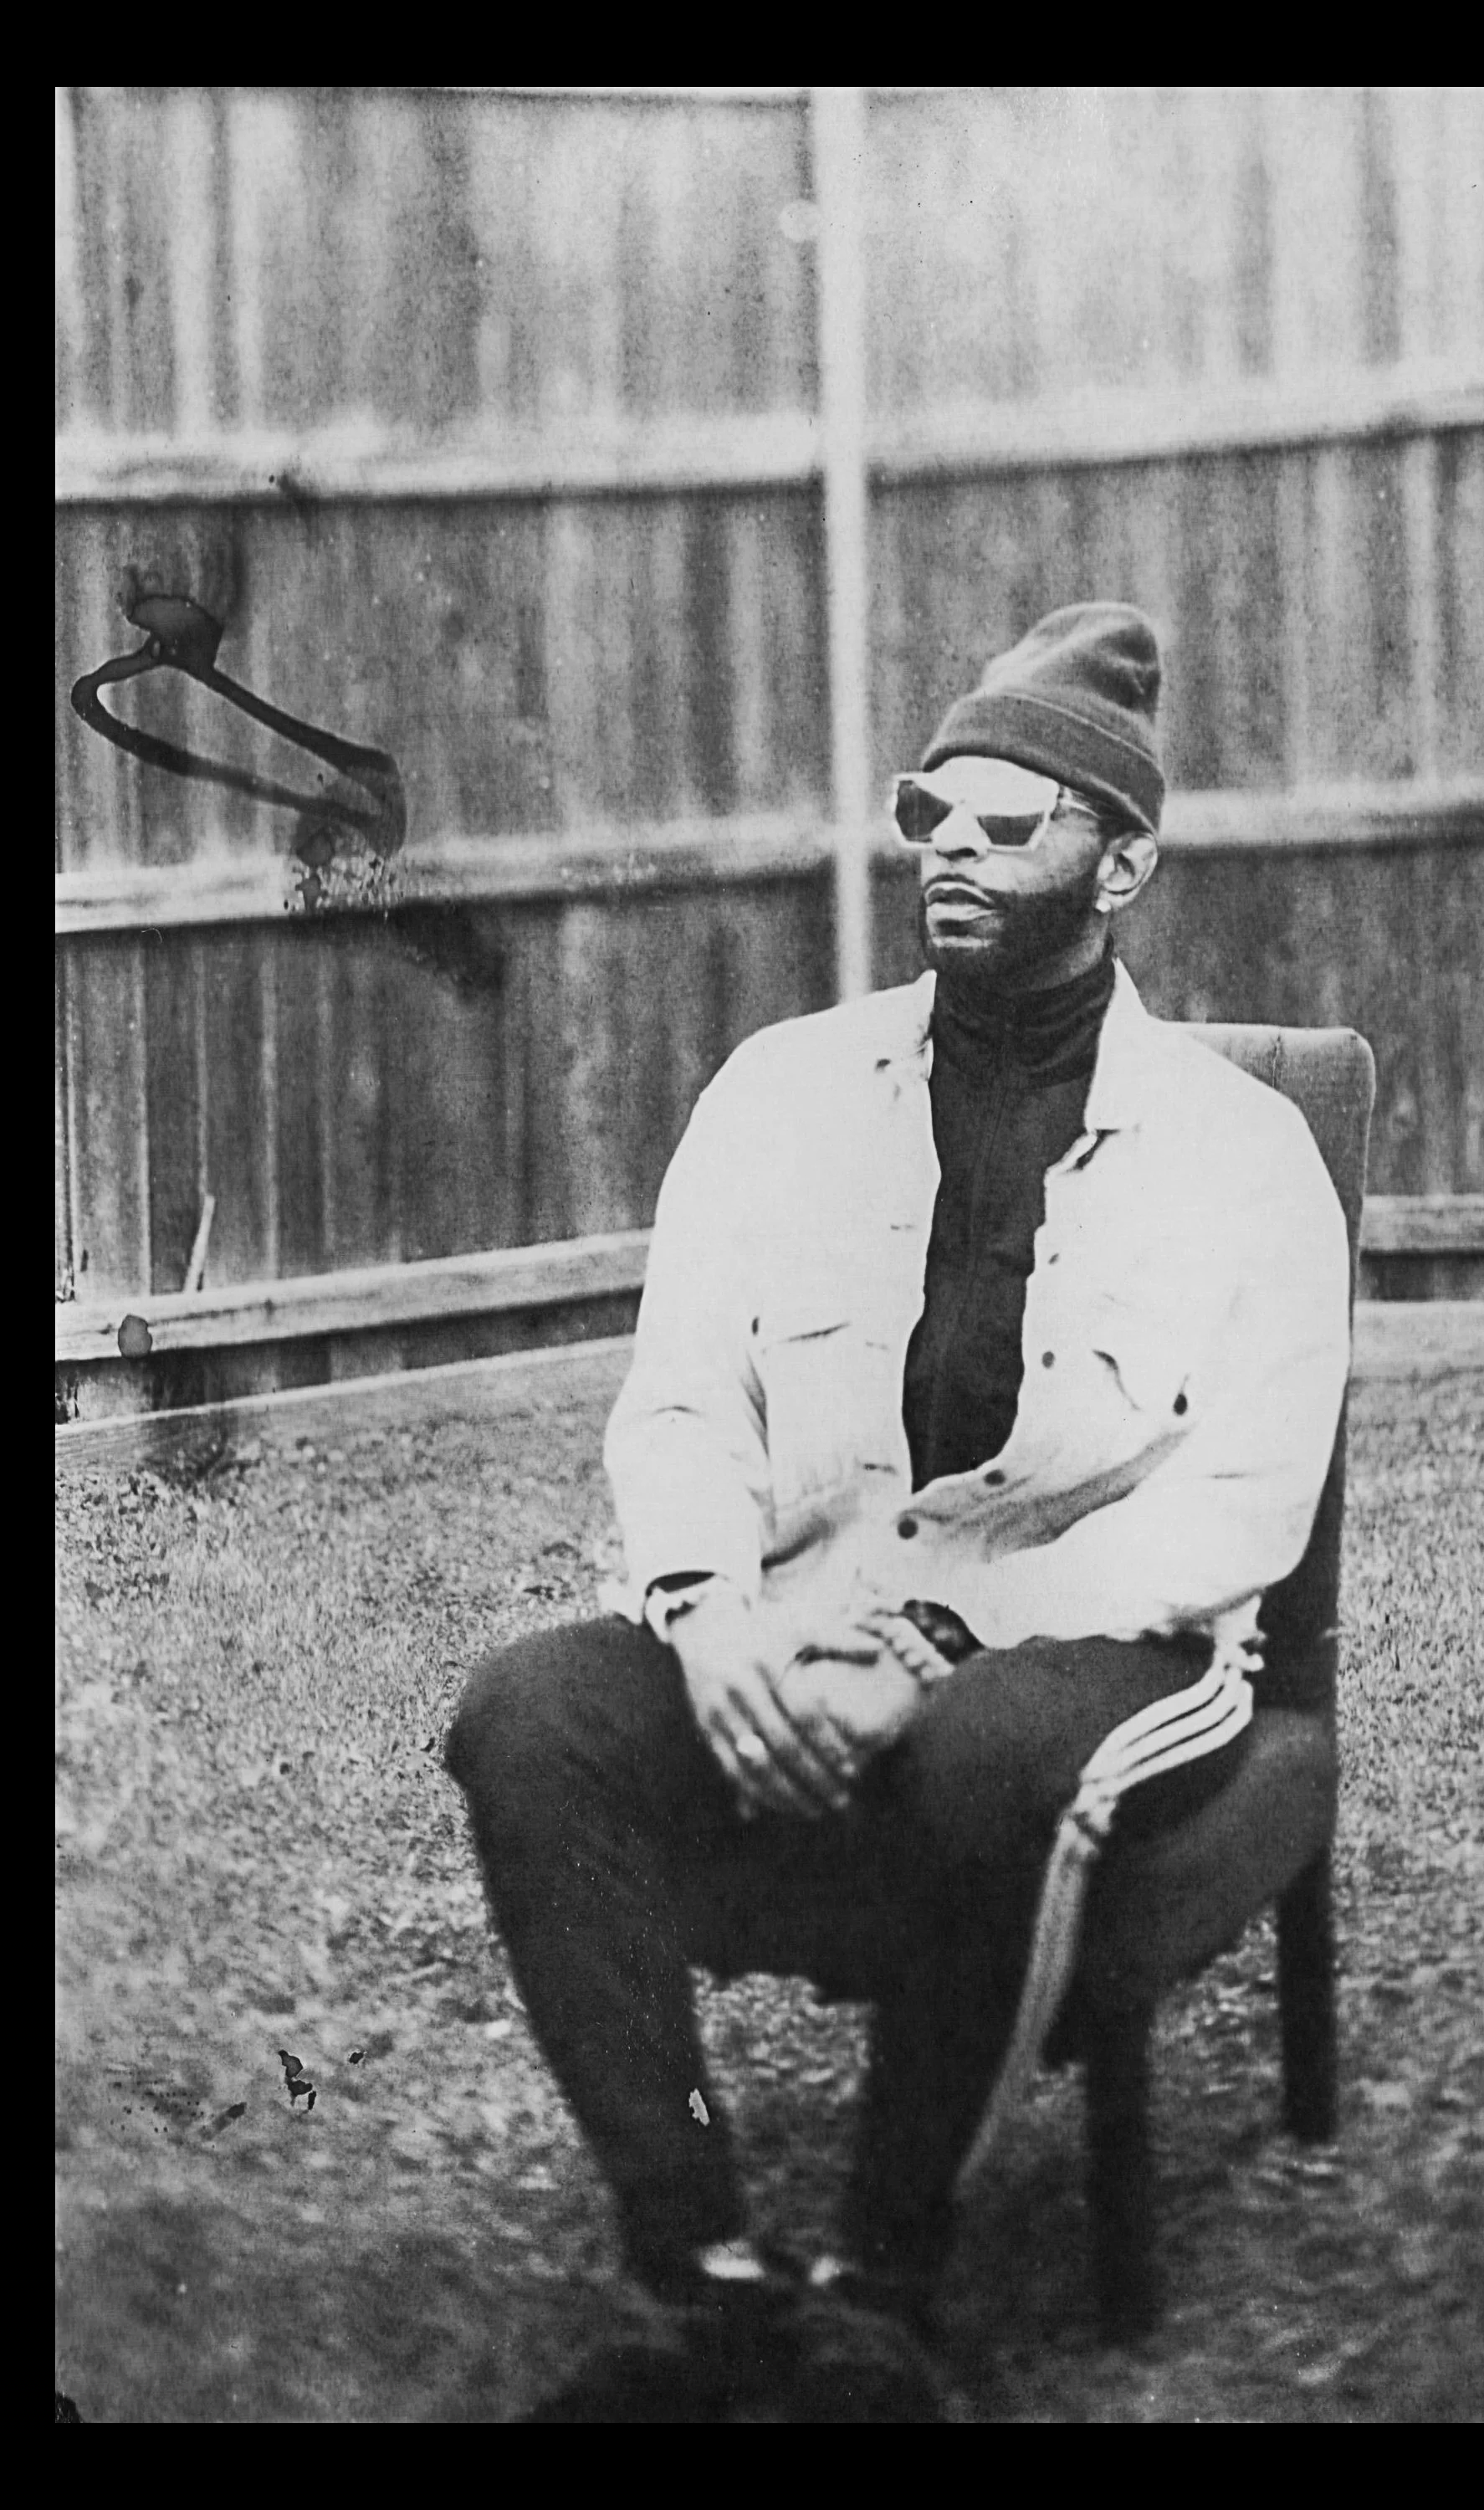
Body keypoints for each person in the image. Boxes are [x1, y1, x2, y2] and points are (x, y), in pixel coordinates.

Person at [446, 602, 1353, 2421]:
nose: (954, 848)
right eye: (934, 815)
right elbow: (686, 1401)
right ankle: (701, 2277)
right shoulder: (784, 1091)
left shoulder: (1241, 1151)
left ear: (1125, 862)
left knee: (981, 1758)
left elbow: (1244, 1501)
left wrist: (937, 1643)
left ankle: (883, 2294)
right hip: (804, 1601)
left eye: (1014, 825)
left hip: (1110, 1639)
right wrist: (705, 1624)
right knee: (530, 1712)